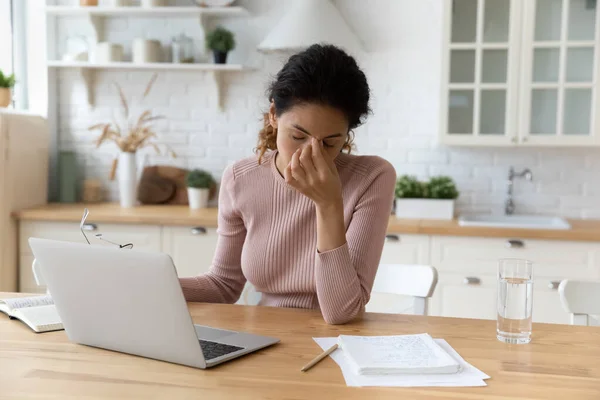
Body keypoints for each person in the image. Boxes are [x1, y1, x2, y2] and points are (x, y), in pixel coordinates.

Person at [179, 44, 396, 324]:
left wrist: (328, 203)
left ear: (347, 135)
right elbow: (223, 285)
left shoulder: (372, 177)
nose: (310, 154)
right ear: (273, 115)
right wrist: (150, 284)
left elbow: (343, 311)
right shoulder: (240, 178)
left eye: (329, 143)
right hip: (264, 339)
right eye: (297, 136)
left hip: (337, 345)